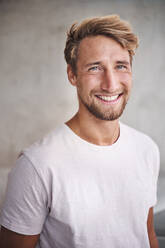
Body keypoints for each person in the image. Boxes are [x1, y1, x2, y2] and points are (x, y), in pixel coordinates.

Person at [0, 15, 160, 248]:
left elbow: (147, 235)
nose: (111, 83)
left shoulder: (146, 148)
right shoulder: (37, 165)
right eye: (95, 67)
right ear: (72, 75)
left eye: (120, 66)